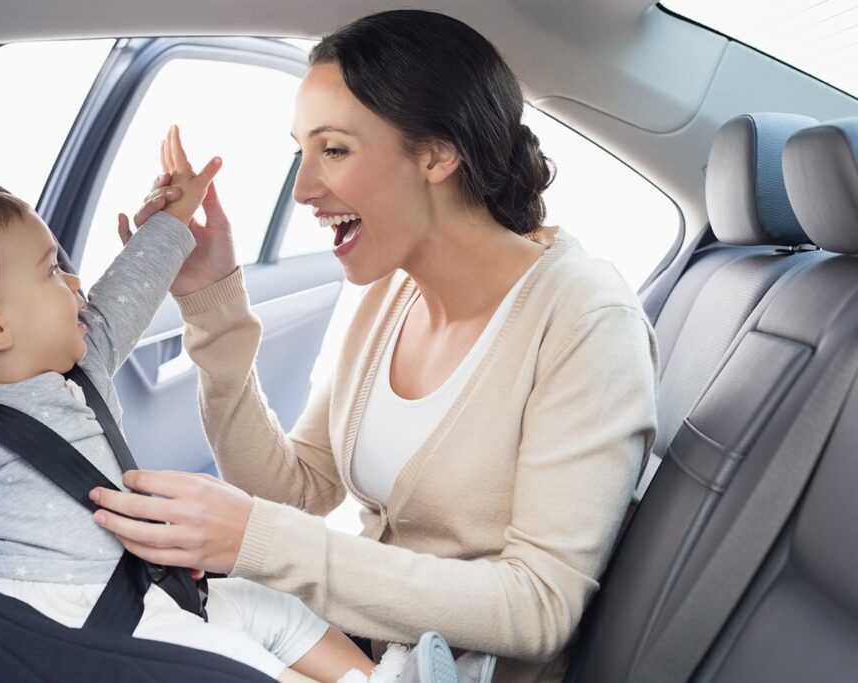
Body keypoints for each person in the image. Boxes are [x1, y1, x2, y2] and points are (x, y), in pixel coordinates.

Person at [91, 10, 659, 682]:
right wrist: (212, 301)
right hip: (360, 650)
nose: (302, 188)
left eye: (333, 150)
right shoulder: (393, 291)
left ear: (437, 154)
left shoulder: (585, 319)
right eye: (300, 151)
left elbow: (539, 607)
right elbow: (297, 491)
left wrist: (258, 540)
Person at [0, 128, 453, 683]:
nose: (75, 279)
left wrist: (174, 219)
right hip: (80, 627)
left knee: (272, 607)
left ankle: (390, 678)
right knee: (235, 663)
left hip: (148, 587)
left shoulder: (79, 362)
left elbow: (128, 288)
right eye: (51, 270)